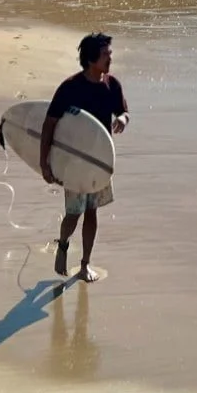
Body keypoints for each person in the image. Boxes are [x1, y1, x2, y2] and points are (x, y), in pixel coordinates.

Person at [40, 32, 129, 281]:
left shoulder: (112, 85)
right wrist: (44, 162)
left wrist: (122, 118)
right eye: (105, 54)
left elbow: (123, 111)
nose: (110, 58)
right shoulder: (70, 88)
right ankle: (64, 243)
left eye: (109, 53)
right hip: (74, 161)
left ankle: (84, 264)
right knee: (73, 213)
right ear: (91, 59)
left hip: (100, 161)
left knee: (92, 212)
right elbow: (49, 125)